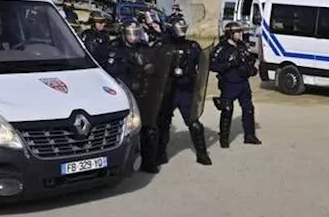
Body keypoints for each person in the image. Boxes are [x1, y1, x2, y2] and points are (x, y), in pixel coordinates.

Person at [107, 21, 169, 174]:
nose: (134, 37)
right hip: (123, 94)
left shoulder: (144, 48)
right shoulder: (116, 49)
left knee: (149, 128)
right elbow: (111, 72)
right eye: (130, 33)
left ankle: (149, 161)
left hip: (144, 93)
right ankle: (121, 162)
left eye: (136, 33)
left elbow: (156, 68)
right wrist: (130, 69)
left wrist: (151, 67)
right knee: (126, 129)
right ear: (124, 34)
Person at [156, 16, 212, 166]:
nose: (181, 31)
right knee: (163, 123)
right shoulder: (161, 46)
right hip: (168, 91)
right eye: (178, 28)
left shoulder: (192, 46)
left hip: (186, 90)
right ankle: (160, 154)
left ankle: (202, 154)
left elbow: (204, 65)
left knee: (194, 123)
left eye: (183, 28)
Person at [210, 21, 260, 148]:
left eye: (240, 31)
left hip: (243, 83)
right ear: (229, 34)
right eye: (237, 32)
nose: (240, 34)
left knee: (248, 109)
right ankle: (224, 139)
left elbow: (249, 60)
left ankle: (249, 135)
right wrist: (229, 64)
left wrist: (251, 69)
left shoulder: (242, 45)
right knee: (227, 110)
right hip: (229, 83)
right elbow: (212, 65)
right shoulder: (221, 48)